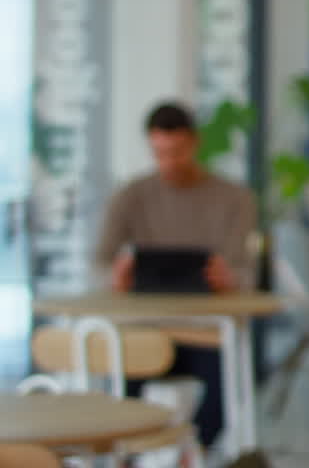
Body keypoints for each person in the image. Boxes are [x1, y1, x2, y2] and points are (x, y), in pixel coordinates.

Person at [95, 101, 257, 448]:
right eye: (160, 153)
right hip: (145, 331)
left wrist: (229, 279)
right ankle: (128, 456)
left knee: (230, 382)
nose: (169, 162)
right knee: (120, 388)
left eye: (177, 152)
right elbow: (99, 262)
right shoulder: (130, 197)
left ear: (195, 144)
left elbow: (246, 274)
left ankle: (190, 454)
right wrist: (115, 277)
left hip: (207, 334)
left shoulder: (234, 199)